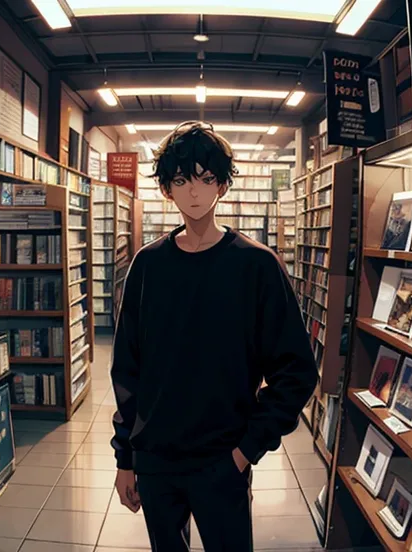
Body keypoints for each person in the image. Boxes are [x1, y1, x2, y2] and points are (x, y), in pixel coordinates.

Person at [109, 121, 319, 551]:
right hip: (156, 460)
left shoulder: (256, 266)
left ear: (223, 185)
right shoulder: (147, 266)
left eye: (207, 178)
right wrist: (126, 457)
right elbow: (128, 371)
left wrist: (245, 451)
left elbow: (296, 371)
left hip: (222, 458)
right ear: (166, 188)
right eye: (182, 179)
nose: (194, 192)